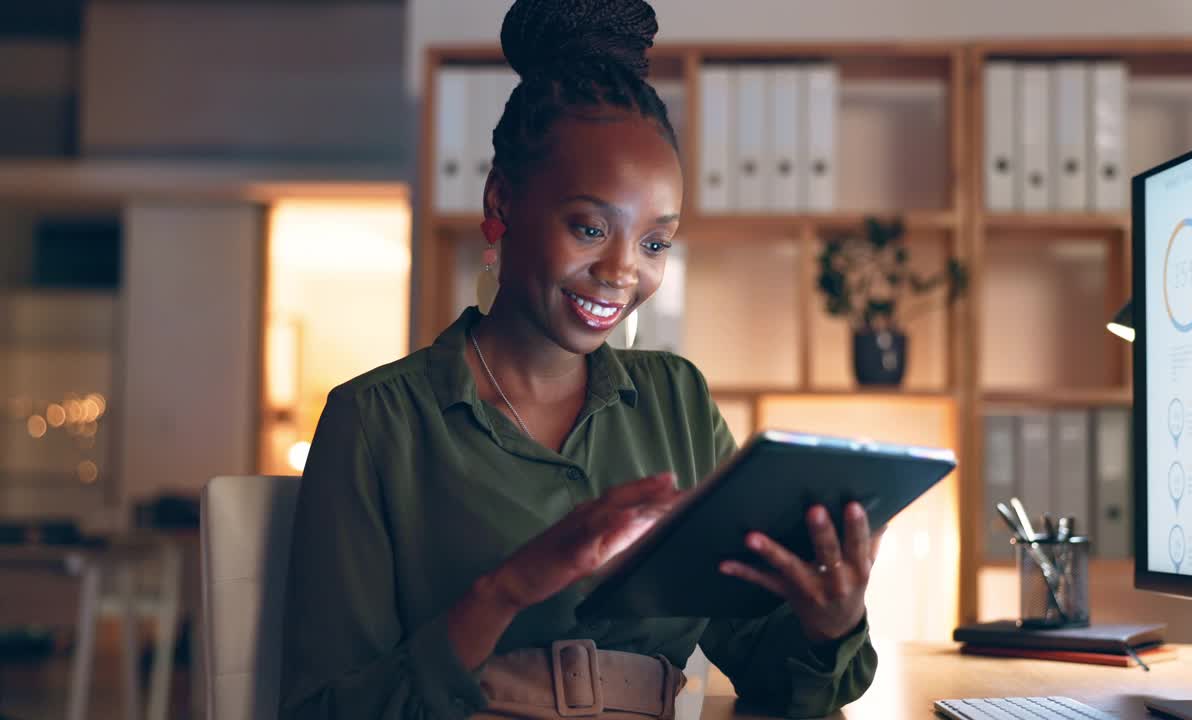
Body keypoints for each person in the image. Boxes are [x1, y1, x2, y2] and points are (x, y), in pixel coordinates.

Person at [279, 1, 882, 717]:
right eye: (591, 227)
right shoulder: (377, 421)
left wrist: (831, 619)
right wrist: (508, 589)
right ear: (501, 203)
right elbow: (321, 709)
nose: (625, 270)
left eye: (656, 242)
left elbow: (775, 677)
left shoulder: (677, 403)